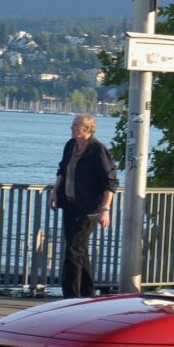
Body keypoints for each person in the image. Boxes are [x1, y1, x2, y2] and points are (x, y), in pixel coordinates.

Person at [49, 114, 118, 298]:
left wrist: (105, 210)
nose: (71, 128)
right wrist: (55, 191)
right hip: (70, 205)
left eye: (75, 125)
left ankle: (70, 297)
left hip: (89, 210)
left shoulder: (97, 150)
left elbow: (110, 182)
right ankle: (88, 295)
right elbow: (63, 170)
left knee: (72, 251)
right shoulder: (70, 146)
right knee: (80, 251)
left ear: (87, 129)